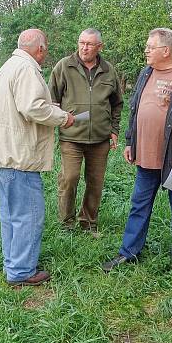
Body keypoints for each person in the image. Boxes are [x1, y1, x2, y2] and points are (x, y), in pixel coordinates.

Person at [102, 28, 172, 271]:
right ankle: (129, 252)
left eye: (151, 47)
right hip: (145, 156)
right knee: (139, 204)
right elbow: (136, 109)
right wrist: (130, 141)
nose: (146, 50)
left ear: (166, 50)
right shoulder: (145, 73)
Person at [0, 29, 75, 287]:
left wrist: (51, 109)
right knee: (28, 215)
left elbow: (23, 104)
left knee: (10, 214)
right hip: (17, 155)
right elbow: (32, 107)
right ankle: (21, 271)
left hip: (1, 153)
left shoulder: (10, 65)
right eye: (46, 49)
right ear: (40, 49)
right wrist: (62, 117)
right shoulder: (27, 68)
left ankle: (13, 264)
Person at [49, 28, 123, 235]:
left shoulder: (109, 70)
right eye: (82, 42)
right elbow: (52, 99)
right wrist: (59, 119)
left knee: (96, 182)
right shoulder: (64, 66)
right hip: (71, 136)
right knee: (70, 177)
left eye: (90, 44)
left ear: (100, 47)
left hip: (100, 138)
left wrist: (114, 129)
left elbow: (117, 103)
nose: (84, 47)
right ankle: (66, 223)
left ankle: (88, 222)